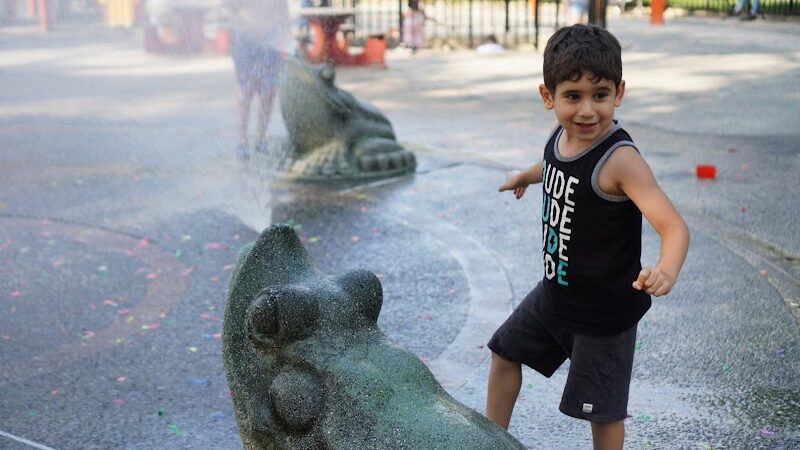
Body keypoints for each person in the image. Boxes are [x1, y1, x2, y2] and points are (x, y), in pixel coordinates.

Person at [485, 24, 690, 450]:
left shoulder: (621, 160)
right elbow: (553, 164)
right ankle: (489, 439)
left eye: (600, 95)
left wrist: (667, 269)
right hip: (555, 295)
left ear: (619, 93)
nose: (587, 111)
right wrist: (526, 176)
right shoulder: (562, 136)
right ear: (549, 97)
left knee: (603, 412)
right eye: (572, 97)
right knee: (505, 352)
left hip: (603, 316)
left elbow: (673, 226)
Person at [223, 0, 293, 158]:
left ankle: (260, 139)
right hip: (244, 38)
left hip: (269, 38)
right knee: (245, 92)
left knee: (268, 93)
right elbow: (226, 8)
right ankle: (242, 141)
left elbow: (284, 15)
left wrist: (287, 41)